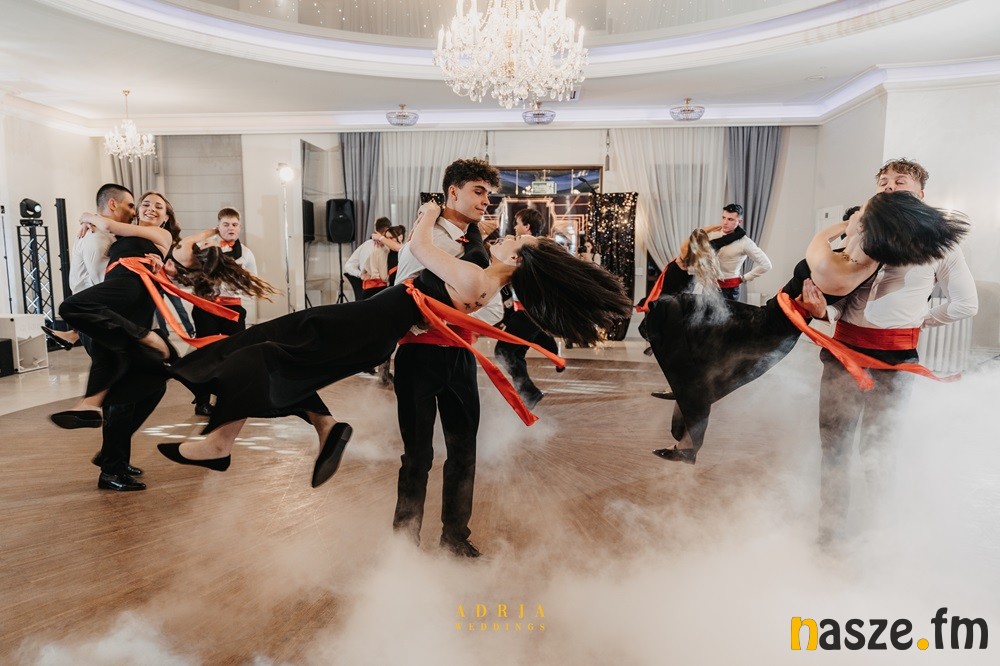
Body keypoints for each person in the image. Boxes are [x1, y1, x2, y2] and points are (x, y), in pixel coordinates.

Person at [157, 170, 631, 541]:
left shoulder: (477, 277)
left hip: (370, 324)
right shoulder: (482, 273)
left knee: (268, 349)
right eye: (481, 195)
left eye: (514, 240)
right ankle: (295, 433)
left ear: (515, 260)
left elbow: (420, 247)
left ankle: (220, 433)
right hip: (378, 331)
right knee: (272, 351)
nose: (506, 233)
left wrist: (428, 212)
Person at [646, 190, 970, 465]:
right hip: (771, 317)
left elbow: (816, 243)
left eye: (862, 213)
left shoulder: (845, 264)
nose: (855, 215)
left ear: (866, 227)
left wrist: (843, 225)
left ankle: (688, 431)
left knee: (679, 323)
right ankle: (688, 436)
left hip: (771, 328)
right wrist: (854, 225)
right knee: (696, 346)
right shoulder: (855, 257)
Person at [802, 159, 978, 545]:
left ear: (921, 194)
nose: (889, 186)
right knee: (834, 447)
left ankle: (880, 536)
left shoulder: (941, 244)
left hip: (896, 364)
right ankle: (829, 533)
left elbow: (966, 304)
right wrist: (822, 311)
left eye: (900, 181)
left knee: (878, 449)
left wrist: (919, 321)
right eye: (883, 181)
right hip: (842, 355)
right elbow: (841, 297)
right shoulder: (858, 235)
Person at [390, 160, 506, 558]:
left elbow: (494, 307)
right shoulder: (425, 238)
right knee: (417, 455)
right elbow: (402, 293)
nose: (485, 201)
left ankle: (454, 537)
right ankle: (404, 543)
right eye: (478, 191)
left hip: (460, 356)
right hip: (418, 355)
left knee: (463, 451)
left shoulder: (479, 245)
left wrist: (464, 310)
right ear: (452, 192)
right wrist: (455, 307)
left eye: (488, 194)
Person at [54, 190, 182, 491]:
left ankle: (111, 453)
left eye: (159, 206)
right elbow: (107, 233)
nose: (150, 208)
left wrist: (89, 217)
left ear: (166, 218)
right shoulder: (120, 234)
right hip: (117, 312)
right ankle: (112, 466)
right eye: (145, 204)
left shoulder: (161, 235)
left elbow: (111, 225)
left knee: (153, 383)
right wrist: (90, 222)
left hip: (133, 305)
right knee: (127, 390)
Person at [42, 185, 134, 350]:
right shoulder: (96, 235)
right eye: (130, 206)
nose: (134, 212)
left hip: (97, 318)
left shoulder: (101, 232)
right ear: (113, 204)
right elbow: (103, 282)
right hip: (96, 320)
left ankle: (73, 335)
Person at [189, 208, 258, 416]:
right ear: (218, 226)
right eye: (226, 224)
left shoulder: (246, 253)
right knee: (206, 354)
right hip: (206, 307)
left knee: (235, 354)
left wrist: (237, 286)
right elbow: (191, 274)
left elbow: (253, 281)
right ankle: (202, 401)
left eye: (234, 224)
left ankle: (230, 398)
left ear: (240, 227)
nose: (230, 228)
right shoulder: (205, 247)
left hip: (232, 307)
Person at [495, 208, 560, 409]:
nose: (514, 227)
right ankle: (530, 391)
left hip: (528, 312)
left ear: (527, 226)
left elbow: (502, 257)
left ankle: (529, 393)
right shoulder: (537, 246)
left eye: (517, 223)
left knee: (503, 351)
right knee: (515, 352)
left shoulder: (527, 243)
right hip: (530, 310)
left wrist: (505, 242)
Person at [709, 203, 771, 301]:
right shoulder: (712, 235)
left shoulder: (745, 243)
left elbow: (766, 264)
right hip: (709, 287)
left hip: (729, 290)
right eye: (723, 218)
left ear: (739, 221)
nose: (725, 222)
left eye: (730, 219)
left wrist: (744, 278)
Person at [344, 217, 392, 301]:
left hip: (366, 291)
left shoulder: (365, 245)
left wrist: (360, 274)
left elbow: (348, 266)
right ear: (387, 230)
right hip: (384, 291)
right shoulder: (389, 247)